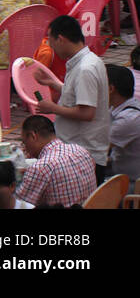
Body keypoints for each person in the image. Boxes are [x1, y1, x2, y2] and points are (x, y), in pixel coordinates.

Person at [36, 15, 111, 182]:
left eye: (51, 41)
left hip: (84, 155)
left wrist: (52, 108)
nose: (50, 46)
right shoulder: (88, 61)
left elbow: (87, 113)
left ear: (61, 39)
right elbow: (81, 96)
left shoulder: (85, 69)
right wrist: (53, 84)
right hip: (81, 152)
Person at [17, 114, 97, 208]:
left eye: (24, 142)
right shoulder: (81, 150)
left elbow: (19, 205)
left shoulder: (40, 168)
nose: (24, 148)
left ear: (33, 136)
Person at [106, 65, 140, 185]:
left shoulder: (127, 119)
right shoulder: (120, 107)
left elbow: (99, 150)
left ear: (111, 89)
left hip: (131, 183)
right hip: (118, 168)